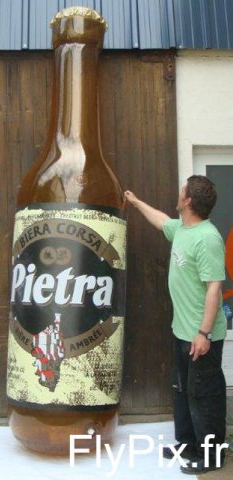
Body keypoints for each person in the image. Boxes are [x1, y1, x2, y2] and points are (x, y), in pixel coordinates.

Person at [124, 175, 227, 474]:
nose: (178, 193)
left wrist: (203, 333)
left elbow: (214, 287)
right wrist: (136, 201)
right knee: (183, 390)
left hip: (200, 335)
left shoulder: (207, 238)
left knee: (204, 396)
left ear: (189, 201)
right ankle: (187, 444)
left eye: (182, 191)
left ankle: (210, 456)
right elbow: (161, 221)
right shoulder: (182, 228)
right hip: (182, 331)